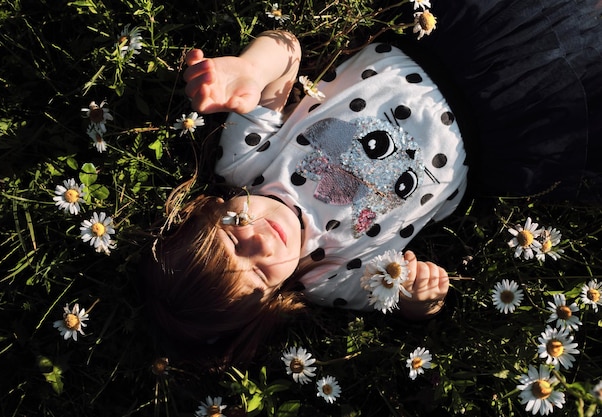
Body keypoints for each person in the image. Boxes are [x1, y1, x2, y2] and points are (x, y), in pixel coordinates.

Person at [145, 0, 602, 365]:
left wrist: (250, 70)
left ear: (208, 207)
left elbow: (286, 50)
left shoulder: (245, 166)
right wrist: (420, 298)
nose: (261, 246)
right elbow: (400, 300)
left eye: (232, 235)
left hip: (448, 41)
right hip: (500, 134)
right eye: (262, 275)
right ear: (274, 301)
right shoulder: (329, 278)